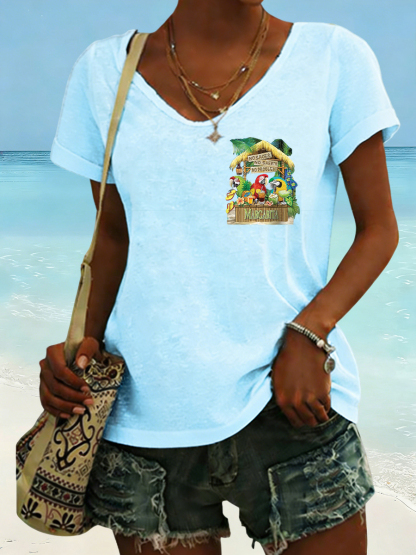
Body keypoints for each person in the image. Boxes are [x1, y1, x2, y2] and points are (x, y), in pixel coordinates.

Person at [39, 0, 401, 554]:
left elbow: (379, 230)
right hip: (146, 418)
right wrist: (78, 353)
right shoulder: (104, 71)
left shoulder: (333, 57)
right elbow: (113, 238)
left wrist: (311, 331)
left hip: (292, 400)